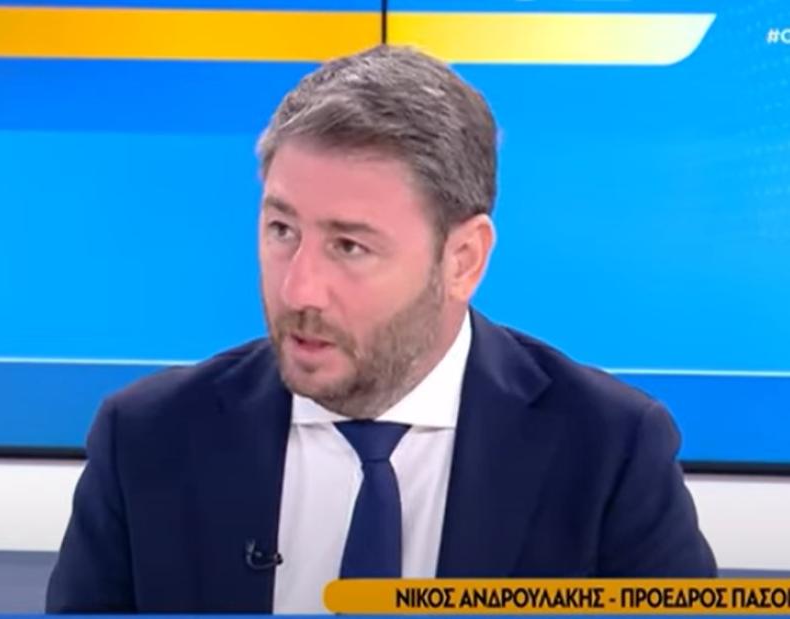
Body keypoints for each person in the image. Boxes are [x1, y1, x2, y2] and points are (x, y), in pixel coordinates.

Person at [45, 44, 716, 614]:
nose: (298, 289)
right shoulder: (147, 440)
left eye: (349, 246)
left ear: (463, 259)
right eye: (281, 230)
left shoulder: (608, 453)